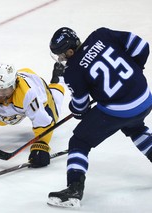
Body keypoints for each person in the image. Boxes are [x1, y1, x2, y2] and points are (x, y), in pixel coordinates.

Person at [47, 27, 152, 208]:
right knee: (135, 127)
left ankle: (74, 188)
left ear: (70, 50)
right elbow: (141, 45)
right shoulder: (101, 34)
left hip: (121, 108)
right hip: (144, 97)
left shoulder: (72, 71)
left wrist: (77, 108)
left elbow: (80, 108)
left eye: (62, 55)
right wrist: (136, 71)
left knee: (80, 141)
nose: (62, 59)